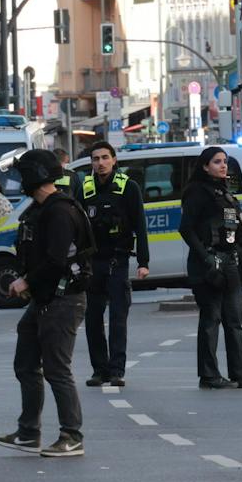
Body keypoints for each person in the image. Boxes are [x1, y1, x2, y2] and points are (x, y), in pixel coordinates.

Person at [0, 149, 89, 458]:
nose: (20, 181)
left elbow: (57, 260)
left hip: (63, 300)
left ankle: (71, 436)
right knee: (26, 363)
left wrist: (26, 282)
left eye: (23, 175)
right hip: (44, 299)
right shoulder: (40, 209)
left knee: (57, 369)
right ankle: (28, 432)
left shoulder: (59, 211)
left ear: (35, 175)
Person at [78, 142, 150, 386]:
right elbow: (77, 227)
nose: (100, 163)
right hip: (92, 262)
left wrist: (143, 262)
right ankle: (100, 370)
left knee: (118, 318)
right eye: (95, 159)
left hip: (117, 260)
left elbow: (140, 225)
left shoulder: (128, 187)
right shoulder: (85, 188)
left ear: (114, 160)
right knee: (93, 319)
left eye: (104, 158)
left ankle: (117, 370)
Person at [182, 147, 242, 389]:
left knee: (234, 321)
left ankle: (239, 374)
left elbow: (231, 228)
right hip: (207, 264)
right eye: (217, 162)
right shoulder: (197, 192)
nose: (223, 166)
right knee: (211, 319)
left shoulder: (225, 192)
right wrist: (206, 258)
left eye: (225, 161)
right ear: (205, 166)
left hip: (229, 262)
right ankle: (209, 375)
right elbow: (186, 229)